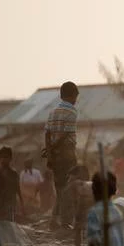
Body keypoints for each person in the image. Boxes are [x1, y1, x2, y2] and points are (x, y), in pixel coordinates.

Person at [44, 81, 79, 228]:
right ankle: (65, 221)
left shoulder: (52, 112)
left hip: (55, 155)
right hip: (67, 153)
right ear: (72, 96)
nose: (76, 100)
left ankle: (55, 220)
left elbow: (47, 133)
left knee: (58, 187)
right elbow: (65, 135)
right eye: (76, 96)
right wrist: (53, 147)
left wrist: (49, 151)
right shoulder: (71, 112)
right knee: (69, 187)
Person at [0, 147, 24, 221]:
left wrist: (22, 205)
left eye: (6, 157)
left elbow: (18, 189)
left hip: (10, 206)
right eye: (1, 157)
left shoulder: (14, 174)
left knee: (9, 226)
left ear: (10, 158)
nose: (3, 159)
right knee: (0, 228)